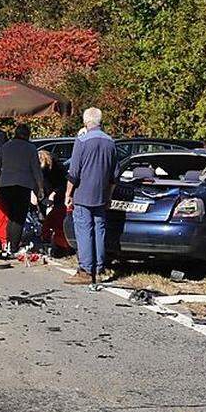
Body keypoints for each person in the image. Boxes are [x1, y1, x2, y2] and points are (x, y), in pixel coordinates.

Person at [64, 107, 118, 285]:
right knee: (99, 229)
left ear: (86, 121)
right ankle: (99, 268)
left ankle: (86, 270)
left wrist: (68, 193)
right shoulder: (110, 142)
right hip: (102, 194)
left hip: (83, 193)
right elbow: (114, 175)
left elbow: (74, 172)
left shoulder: (82, 140)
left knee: (84, 230)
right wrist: (109, 196)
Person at [0, 123, 45, 254]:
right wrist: (40, 188)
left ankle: (8, 243)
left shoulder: (5, 147)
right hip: (23, 185)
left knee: (11, 216)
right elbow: (36, 170)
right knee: (19, 217)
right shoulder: (30, 148)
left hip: (5, 185)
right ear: (26, 135)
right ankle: (14, 246)